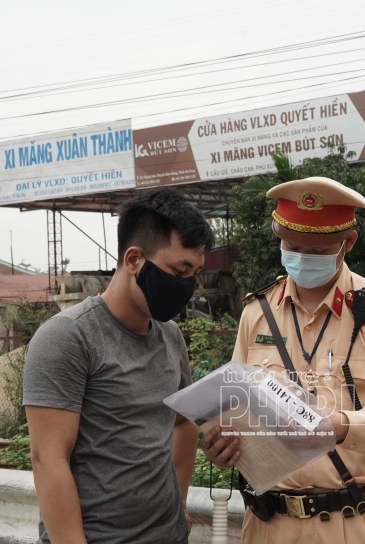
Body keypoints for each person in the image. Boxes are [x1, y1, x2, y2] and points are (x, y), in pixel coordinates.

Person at [202, 176, 365, 544]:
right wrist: (224, 443)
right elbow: (235, 405)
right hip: (267, 526)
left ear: (348, 243)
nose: (302, 259)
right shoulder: (257, 313)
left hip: (352, 521)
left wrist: (343, 426)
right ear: (278, 236)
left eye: (318, 251)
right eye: (292, 247)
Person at [23, 189, 214, 544]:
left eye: (195, 273)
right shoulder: (68, 338)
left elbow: (182, 423)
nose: (187, 285)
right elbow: (48, 460)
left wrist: (180, 504)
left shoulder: (171, 337)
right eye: (179, 270)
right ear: (134, 260)